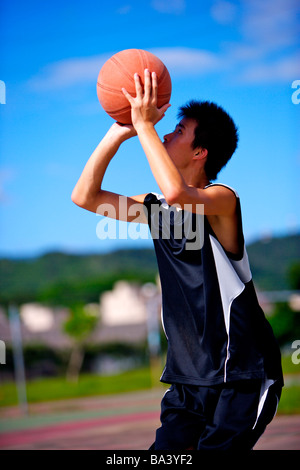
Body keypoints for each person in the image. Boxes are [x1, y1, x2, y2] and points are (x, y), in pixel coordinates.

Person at [72, 69, 283, 450]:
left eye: (179, 131)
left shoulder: (222, 200)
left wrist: (143, 124)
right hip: (188, 378)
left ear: (200, 152)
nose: (167, 132)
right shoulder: (157, 210)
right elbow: (85, 197)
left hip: (240, 373)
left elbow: (178, 191)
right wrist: (118, 133)